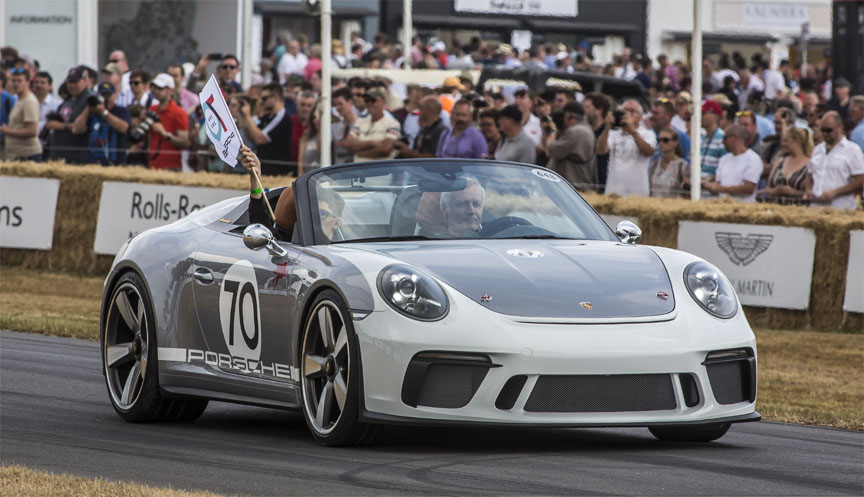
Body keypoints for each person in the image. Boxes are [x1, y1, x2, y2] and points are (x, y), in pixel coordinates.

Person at [804, 111, 864, 209]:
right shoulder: (817, 149)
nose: (825, 133)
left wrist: (835, 192)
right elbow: (810, 176)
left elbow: (861, 180)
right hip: (815, 207)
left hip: (841, 208)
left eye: (829, 130)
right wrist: (808, 190)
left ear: (840, 128)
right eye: (822, 130)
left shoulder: (853, 150)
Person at [597, 99, 656, 197]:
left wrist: (632, 131)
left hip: (637, 194)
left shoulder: (647, 133)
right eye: (624, 110)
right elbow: (600, 151)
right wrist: (607, 127)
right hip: (613, 191)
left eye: (632, 111)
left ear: (640, 116)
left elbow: (648, 151)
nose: (627, 114)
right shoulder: (613, 134)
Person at [238, 83, 293, 176]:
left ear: (275, 98)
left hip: (277, 172)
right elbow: (251, 137)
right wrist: (243, 117)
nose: (261, 102)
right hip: (266, 169)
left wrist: (247, 116)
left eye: (264, 98)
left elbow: (260, 139)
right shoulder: (269, 116)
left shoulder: (282, 116)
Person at [70, 82, 131, 165]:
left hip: (116, 162)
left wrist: (104, 112)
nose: (106, 98)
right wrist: (88, 107)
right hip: (94, 162)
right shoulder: (93, 112)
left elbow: (123, 128)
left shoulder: (121, 111)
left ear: (114, 96)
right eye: (103, 96)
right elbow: (76, 129)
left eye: (109, 95)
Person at [544, 102, 597, 191]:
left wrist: (552, 131)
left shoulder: (576, 131)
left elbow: (552, 149)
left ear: (570, 116)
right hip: (574, 183)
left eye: (563, 117)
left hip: (573, 184)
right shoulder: (585, 128)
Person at [702, 125, 762, 203]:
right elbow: (718, 184)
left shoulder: (753, 159)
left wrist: (719, 188)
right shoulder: (724, 159)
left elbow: (748, 189)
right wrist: (706, 185)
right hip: (722, 206)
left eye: (725, 138)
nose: (722, 142)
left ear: (734, 138)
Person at [46, 67, 93, 164]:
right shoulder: (69, 100)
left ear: (84, 81)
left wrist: (60, 126)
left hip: (77, 157)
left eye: (76, 82)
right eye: (70, 82)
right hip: (60, 155)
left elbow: (79, 128)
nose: (72, 85)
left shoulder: (89, 99)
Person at [344, 87, 400, 162]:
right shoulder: (360, 122)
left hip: (381, 172)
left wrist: (358, 152)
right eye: (367, 100)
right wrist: (372, 143)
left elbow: (385, 149)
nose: (369, 104)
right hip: (358, 171)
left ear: (383, 102)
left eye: (373, 100)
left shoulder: (393, 123)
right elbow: (348, 144)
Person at [758, 127, 812, 205]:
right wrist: (774, 191)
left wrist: (792, 192)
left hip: (798, 209)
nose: (782, 144)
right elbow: (768, 187)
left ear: (797, 142)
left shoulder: (810, 164)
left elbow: (811, 192)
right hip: (775, 208)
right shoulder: (780, 161)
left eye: (786, 141)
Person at [146, 73, 189, 170]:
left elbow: (185, 142)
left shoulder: (179, 113)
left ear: (170, 91)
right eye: (154, 88)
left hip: (171, 168)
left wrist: (165, 134)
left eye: (160, 89)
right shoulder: (152, 109)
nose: (156, 91)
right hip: (152, 165)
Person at [0, 67, 41, 160]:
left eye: (19, 81)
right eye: (13, 81)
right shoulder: (19, 99)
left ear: (28, 82)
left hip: (27, 154)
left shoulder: (29, 101)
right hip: (16, 154)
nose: (15, 84)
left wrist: (7, 132)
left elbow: (32, 131)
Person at [583, 92, 611, 192]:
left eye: (587, 107)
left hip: (601, 178)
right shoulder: (584, 129)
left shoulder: (609, 130)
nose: (584, 110)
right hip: (586, 178)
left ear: (599, 110)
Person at [649, 127, 687, 198]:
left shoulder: (683, 166)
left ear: (675, 142)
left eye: (665, 140)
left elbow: (687, 193)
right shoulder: (654, 164)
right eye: (659, 140)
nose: (661, 143)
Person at [698, 100, 727, 181]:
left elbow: (725, 170)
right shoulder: (702, 138)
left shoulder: (723, 138)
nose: (700, 116)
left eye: (704, 113)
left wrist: (706, 180)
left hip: (712, 190)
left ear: (715, 116)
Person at [331, 87, 356, 165]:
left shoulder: (362, 125)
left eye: (340, 104)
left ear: (350, 102)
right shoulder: (333, 127)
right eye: (335, 105)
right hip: (339, 171)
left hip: (358, 169)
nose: (337, 108)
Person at [297, 103, 322, 175]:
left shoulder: (330, 136)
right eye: (314, 117)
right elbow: (301, 161)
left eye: (319, 116)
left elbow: (320, 148)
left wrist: (321, 130)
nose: (316, 120)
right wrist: (300, 175)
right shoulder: (306, 135)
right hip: (308, 177)